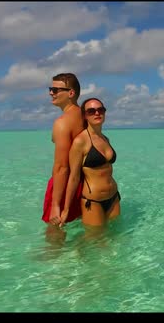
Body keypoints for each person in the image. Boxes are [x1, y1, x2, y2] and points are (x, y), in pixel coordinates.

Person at [60, 97, 121, 229]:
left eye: (100, 110)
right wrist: (66, 209)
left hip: (114, 197)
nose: (97, 113)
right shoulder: (80, 142)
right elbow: (74, 177)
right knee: (94, 243)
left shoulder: (105, 138)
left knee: (117, 238)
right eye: (91, 111)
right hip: (93, 201)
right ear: (84, 116)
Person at [41, 73, 85, 229]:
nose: (51, 93)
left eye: (55, 89)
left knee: (54, 236)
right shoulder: (86, 117)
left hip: (64, 187)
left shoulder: (62, 123)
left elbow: (62, 166)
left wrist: (55, 205)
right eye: (50, 89)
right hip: (83, 184)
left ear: (71, 93)